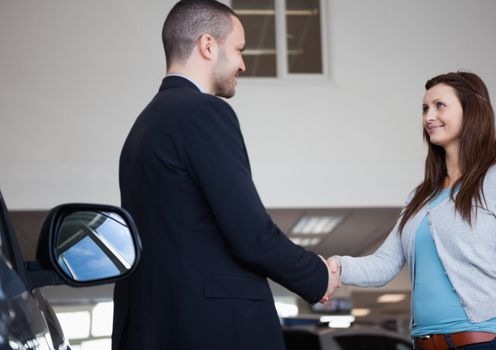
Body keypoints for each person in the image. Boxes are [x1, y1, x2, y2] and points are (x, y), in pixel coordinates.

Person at [112, 1, 340, 349]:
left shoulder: (142, 127)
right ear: (208, 45)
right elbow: (250, 234)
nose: (243, 64)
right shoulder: (203, 113)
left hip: (153, 328)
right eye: (239, 50)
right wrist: (317, 274)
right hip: (212, 329)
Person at [329, 71, 496, 350]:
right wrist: (335, 267)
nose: (428, 117)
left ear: (471, 111)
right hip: (424, 343)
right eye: (425, 109)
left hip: (483, 342)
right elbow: (385, 264)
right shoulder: (419, 197)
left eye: (439, 106)